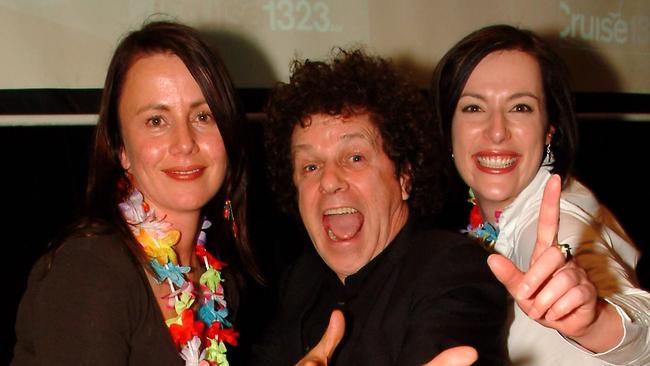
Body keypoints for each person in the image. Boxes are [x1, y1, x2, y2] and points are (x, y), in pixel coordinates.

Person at [12, 20, 261, 366]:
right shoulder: (91, 270)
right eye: (156, 121)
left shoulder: (218, 284)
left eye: (203, 115)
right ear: (121, 149)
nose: (185, 143)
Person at [250, 48, 508, 365]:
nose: (329, 181)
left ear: (404, 177)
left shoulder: (453, 269)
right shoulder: (301, 281)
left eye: (355, 157)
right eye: (310, 167)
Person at [430, 24, 650, 365]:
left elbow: (641, 324)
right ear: (448, 129)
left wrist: (596, 323)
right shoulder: (489, 219)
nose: (497, 131)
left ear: (549, 128)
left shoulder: (561, 219)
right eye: (473, 108)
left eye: (520, 108)